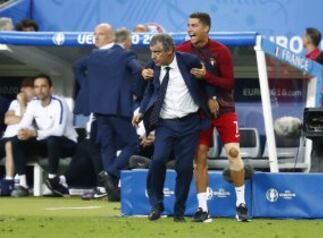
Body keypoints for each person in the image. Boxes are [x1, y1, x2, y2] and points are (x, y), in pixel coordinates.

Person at [132, 33, 215, 222]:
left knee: (185, 168)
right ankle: (156, 205)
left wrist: (212, 98)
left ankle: (179, 211)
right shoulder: (153, 67)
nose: (153, 56)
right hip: (165, 124)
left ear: (170, 51)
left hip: (189, 123)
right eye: (151, 52)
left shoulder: (189, 61)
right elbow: (149, 91)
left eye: (157, 52)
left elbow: (206, 80)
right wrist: (141, 111)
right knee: (158, 160)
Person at [176, 12, 249, 222]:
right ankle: (202, 208)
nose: (189, 29)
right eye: (188, 25)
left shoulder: (221, 51)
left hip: (224, 109)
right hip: (198, 112)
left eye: (194, 25)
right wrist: (147, 71)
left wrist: (206, 76)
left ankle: (241, 204)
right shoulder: (181, 50)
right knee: (199, 156)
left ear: (206, 28)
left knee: (234, 152)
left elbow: (229, 83)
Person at [73, 23, 142, 200]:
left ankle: (110, 183)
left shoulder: (98, 56)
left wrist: (89, 89)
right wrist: (135, 92)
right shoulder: (123, 55)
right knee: (131, 144)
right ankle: (110, 175)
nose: (96, 37)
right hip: (116, 108)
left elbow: (77, 68)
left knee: (109, 146)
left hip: (101, 109)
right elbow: (137, 70)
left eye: (101, 34)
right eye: (95, 34)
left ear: (111, 37)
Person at [10, 74, 78, 197]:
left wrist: (34, 133)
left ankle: (53, 181)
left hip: (68, 143)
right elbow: (24, 124)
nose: (39, 90)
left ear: (50, 89)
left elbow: (59, 131)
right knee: (15, 141)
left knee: (52, 140)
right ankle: (23, 184)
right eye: (36, 87)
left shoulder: (59, 102)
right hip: (46, 143)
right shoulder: (33, 104)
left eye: (43, 86)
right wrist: (23, 132)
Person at [0, 78, 34, 196]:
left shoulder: (35, 104)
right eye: (23, 88)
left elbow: (27, 122)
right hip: (7, 137)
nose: (24, 91)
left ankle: (8, 181)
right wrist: (20, 117)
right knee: (8, 142)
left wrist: (22, 103)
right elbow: (7, 120)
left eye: (28, 88)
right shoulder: (14, 103)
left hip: (23, 139)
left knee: (11, 144)